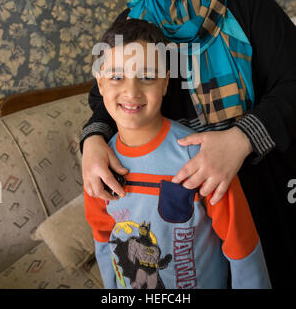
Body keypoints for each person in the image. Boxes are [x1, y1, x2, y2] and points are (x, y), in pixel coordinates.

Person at [81, 0, 296, 288]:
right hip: (186, 200)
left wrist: (240, 139)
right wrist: (92, 141)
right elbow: (105, 95)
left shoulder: (245, 2)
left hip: (262, 180)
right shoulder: (133, 23)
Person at [84, 17, 271, 289]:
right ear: (100, 85)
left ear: (165, 83)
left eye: (147, 76)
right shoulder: (98, 165)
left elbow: (241, 245)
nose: (131, 91)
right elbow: (103, 239)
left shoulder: (202, 158)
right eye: (116, 77)